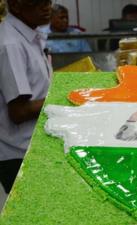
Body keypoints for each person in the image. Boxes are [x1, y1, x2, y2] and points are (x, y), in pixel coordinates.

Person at [0, 0, 52, 194]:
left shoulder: (28, 34)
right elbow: (19, 112)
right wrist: (59, 99)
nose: (46, 7)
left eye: (48, 1)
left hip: (31, 145)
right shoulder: (11, 44)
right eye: (37, 3)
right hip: (19, 154)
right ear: (16, 6)